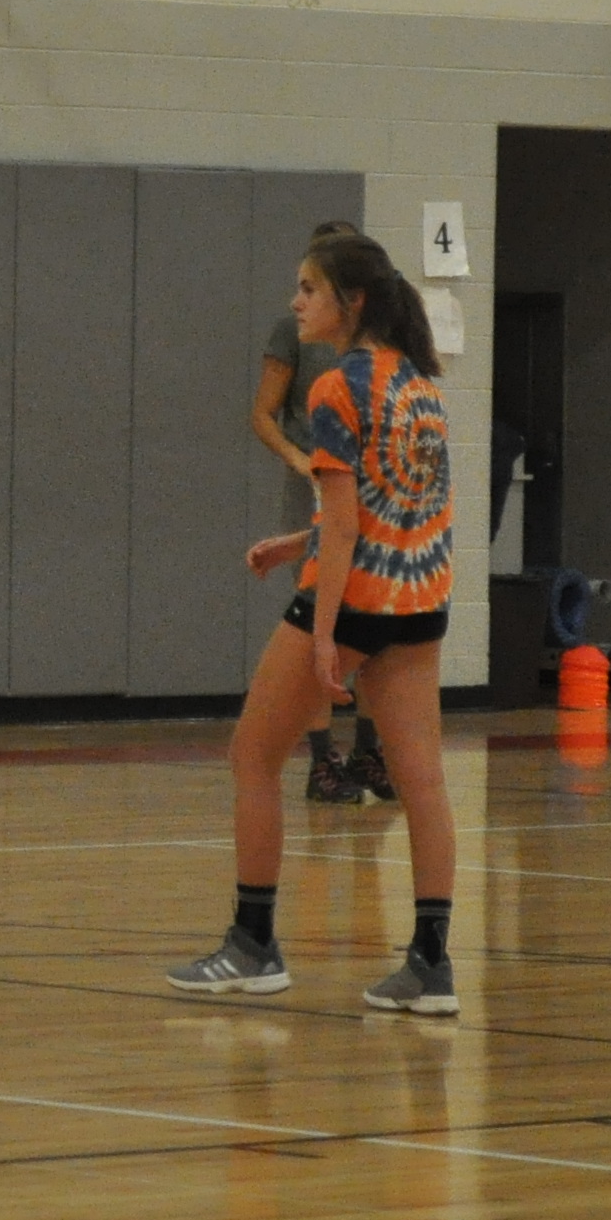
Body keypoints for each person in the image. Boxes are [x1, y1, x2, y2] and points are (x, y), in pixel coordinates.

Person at [170, 229, 461, 1015]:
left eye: (308, 288)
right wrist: (293, 542)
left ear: (351, 301)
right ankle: (431, 964)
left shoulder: (338, 388)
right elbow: (393, 504)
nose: (295, 303)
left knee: (252, 758)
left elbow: (344, 527)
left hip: (357, 598)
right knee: (424, 782)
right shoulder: (423, 386)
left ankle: (253, 946)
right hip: (422, 598)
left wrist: (327, 632)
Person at [256, 219, 390, 808]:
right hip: (316, 485)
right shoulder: (295, 333)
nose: (301, 298)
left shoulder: (378, 358)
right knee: (319, 626)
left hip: (359, 499)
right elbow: (262, 412)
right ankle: (321, 759)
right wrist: (301, 459)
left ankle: (368, 750)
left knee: (362, 634)